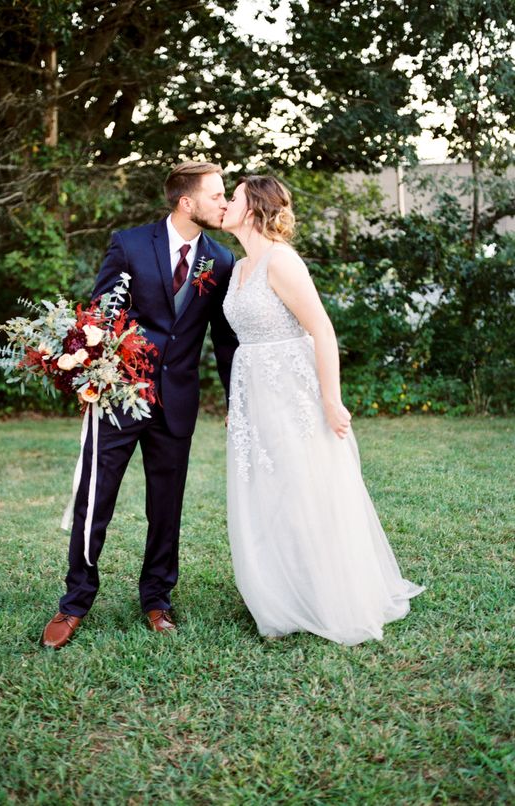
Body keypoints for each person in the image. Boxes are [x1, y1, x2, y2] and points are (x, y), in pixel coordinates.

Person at [42, 161, 238, 649]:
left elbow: (226, 341)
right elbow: (99, 315)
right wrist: (95, 374)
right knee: (94, 500)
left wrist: (238, 400)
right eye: (216, 195)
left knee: (166, 506)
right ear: (185, 201)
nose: (224, 202)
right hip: (118, 398)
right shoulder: (129, 244)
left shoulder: (222, 260)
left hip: (178, 402)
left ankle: (157, 599)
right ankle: (75, 603)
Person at [221, 175, 424, 645]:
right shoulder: (238, 268)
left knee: (304, 483)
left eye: (234, 197)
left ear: (254, 209)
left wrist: (331, 400)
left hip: (292, 389)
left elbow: (322, 330)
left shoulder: (282, 261)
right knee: (268, 489)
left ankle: (328, 592)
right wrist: (240, 401)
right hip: (254, 389)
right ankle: (282, 589)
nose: (226, 203)